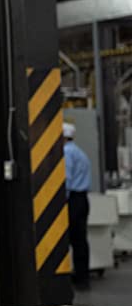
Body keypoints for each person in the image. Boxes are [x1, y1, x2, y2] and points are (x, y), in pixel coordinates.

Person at [62, 122, 91, 288]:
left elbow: (66, 179)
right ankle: (82, 275)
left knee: (69, 239)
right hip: (82, 199)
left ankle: (71, 276)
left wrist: (60, 203)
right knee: (80, 240)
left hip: (72, 200)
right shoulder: (80, 152)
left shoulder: (66, 152)